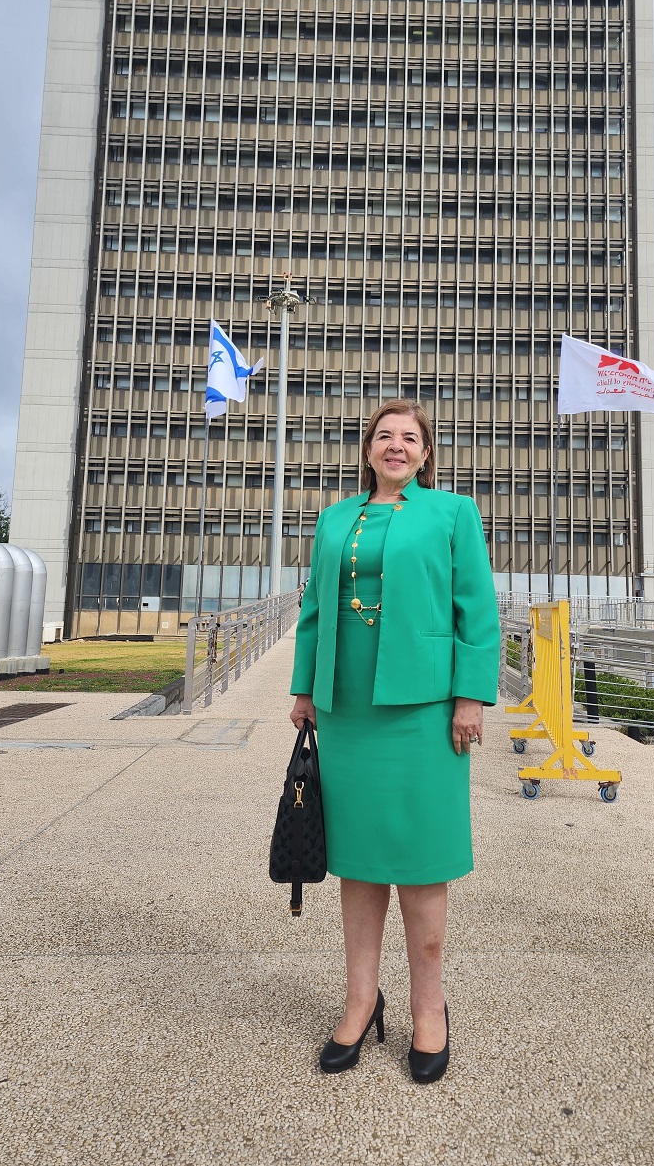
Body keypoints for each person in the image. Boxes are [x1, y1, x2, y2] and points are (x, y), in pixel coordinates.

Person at [288, 398, 500, 1084]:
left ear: (426, 452)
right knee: (357, 861)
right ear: (367, 449)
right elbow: (315, 610)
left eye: (409, 437)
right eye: (384, 435)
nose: (396, 445)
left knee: (420, 858)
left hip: (424, 709)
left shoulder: (451, 514)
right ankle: (358, 1000)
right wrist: (302, 689)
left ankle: (428, 1008)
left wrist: (469, 695)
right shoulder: (332, 519)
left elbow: (476, 608)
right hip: (346, 707)